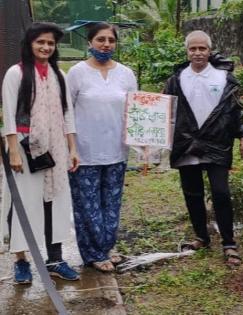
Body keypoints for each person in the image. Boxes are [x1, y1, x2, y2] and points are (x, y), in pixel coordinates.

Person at [1, 22, 80, 283]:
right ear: (30, 44)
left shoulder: (59, 75)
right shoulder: (16, 73)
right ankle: (21, 260)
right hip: (25, 146)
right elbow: (9, 115)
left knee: (54, 201)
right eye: (40, 42)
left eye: (50, 43)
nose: (46, 47)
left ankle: (55, 259)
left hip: (55, 146)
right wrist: (13, 150)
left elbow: (68, 113)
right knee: (23, 202)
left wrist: (72, 147)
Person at [164, 30, 243, 266]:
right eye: (193, 49)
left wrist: (242, 138)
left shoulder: (224, 78)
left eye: (202, 48)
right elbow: (165, 111)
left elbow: (236, 112)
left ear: (209, 51)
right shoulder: (177, 79)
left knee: (221, 193)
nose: (198, 53)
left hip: (217, 142)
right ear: (187, 51)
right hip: (186, 142)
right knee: (192, 193)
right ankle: (201, 236)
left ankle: (229, 242)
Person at [66, 22, 137, 272]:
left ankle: (106, 246)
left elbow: (135, 113)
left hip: (117, 152)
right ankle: (93, 253)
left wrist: (144, 145)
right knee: (87, 206)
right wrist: (72, 148)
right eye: (100, 39)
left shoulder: (126, 74)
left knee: (112, 204)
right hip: (84, 153)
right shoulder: (76, 73)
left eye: (110, 40)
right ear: (90, 42)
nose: (106, 44)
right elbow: (67, 114)